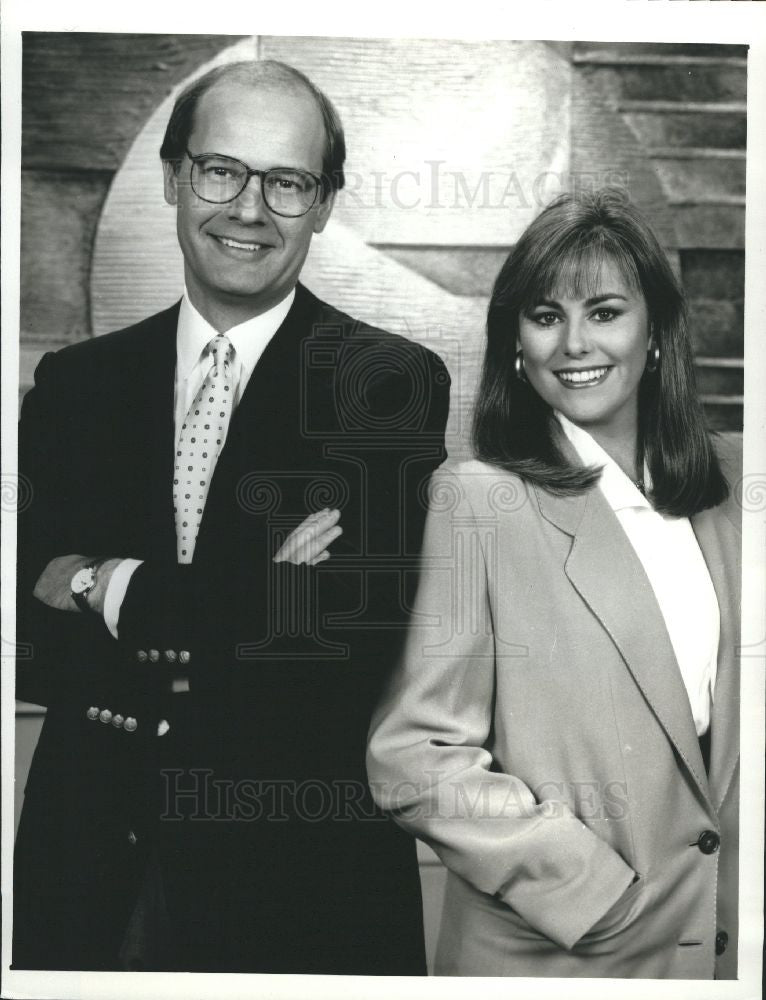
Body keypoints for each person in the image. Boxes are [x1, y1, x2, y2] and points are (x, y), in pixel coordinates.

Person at [13, 59, 450, 974]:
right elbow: (36, 640)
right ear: (173, 177)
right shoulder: (74, 388)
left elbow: (336, 642)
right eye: (220, 170)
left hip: (299, 874)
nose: (248, 209)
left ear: (325, 204)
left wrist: (104, 581)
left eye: (287, 181)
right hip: (88, 864)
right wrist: (261, 586)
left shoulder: (388, 385)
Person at [367, 188, 740, 979]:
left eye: (605, 312)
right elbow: (414, 757)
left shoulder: (738, 479)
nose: (574, 344)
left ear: (658, 335)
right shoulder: (477, 499)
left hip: (723, 948)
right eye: (545, 317)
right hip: (568, 956)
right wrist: (588, 892)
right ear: (515, 344)